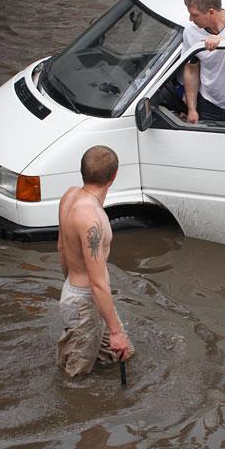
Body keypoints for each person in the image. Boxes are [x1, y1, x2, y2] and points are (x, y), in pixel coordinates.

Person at [55, 145, 134, 377]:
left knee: (122, 354)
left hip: (82, 296)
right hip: (85, 303)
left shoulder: (69, 196)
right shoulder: (91, 220)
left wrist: (69, 285)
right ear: (114, 176)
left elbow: (61, 248)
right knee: (75, 375)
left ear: (82, 171)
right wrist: (115, 332)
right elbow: (97, 282)